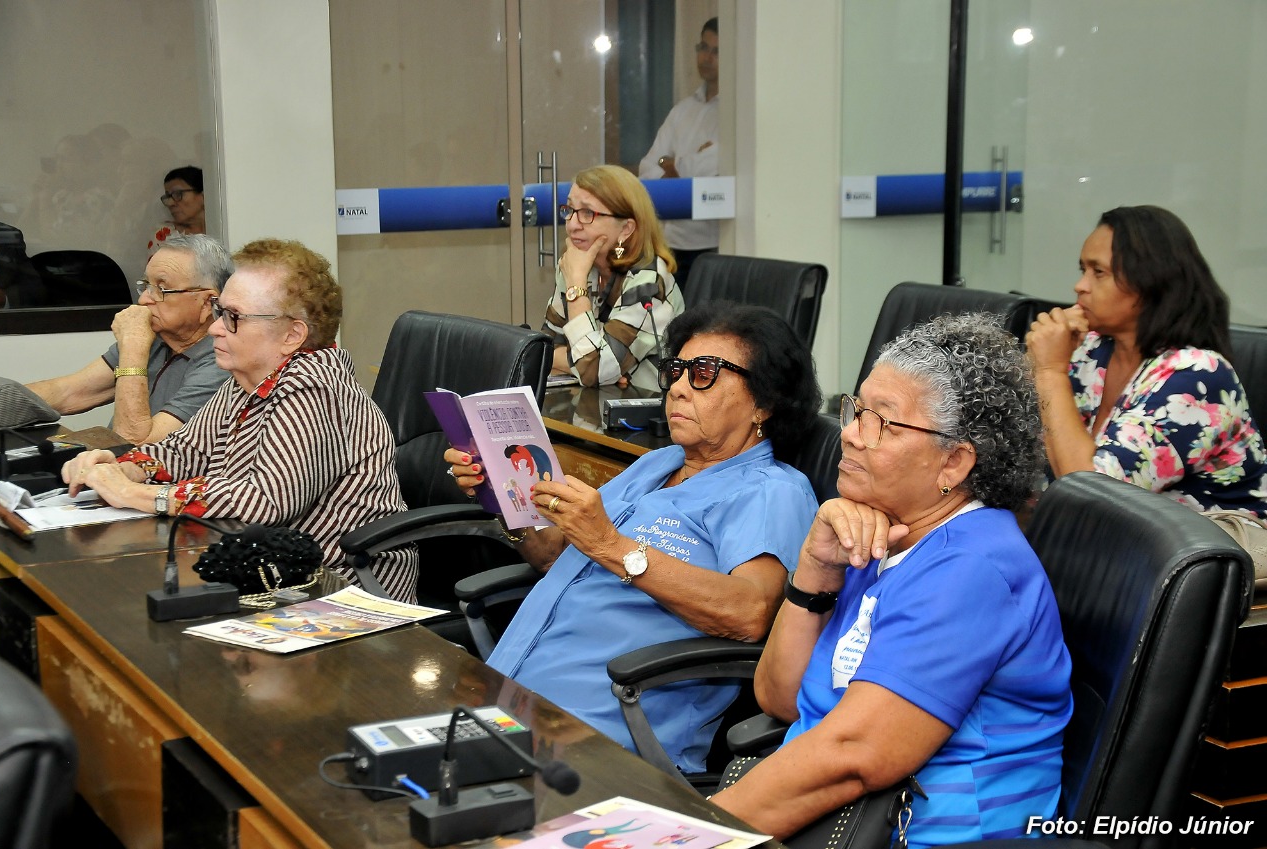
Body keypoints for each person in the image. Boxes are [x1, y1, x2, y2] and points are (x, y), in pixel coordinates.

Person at [711, 313, 1072, 848]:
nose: (852, 435)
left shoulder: (972, 568)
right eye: (856, 409)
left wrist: (682, 833)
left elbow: (853, 756)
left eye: (883, 422)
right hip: (841, 820)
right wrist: (815, 569)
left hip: (929, 836)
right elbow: (781, 699)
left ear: (954, 462)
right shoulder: (882, 533)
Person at [447, 302, 821, 771]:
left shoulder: (772, 490)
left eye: (704, 373)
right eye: (677, 371)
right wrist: (506, 497)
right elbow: (551, 555)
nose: (679, 388)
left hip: (595, 737)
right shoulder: (655, 464)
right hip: (508, 699)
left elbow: (749, 612)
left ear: (763, 401)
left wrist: (611, 545)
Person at [61, 238, 418, 602]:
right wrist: (121, 467)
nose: (215, 328)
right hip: (265, 569)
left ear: (292, 335)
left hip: (339, 588)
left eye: (233, 317)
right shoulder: (248, 378)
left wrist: (134, 494)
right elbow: (184, 453)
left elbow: (267, 502)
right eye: (219, 311)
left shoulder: (314, 388)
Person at [1026, 205, 1267, 515]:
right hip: (1101, 549)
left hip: (1207, 555)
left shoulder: (1198, 375)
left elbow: (1092, 496)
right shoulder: (1090, 350)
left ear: (1151, 281)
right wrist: (1034, 363)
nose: (1080, 286)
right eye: (1082, 270)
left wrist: (1049, 371)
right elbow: (1013, 446)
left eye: (1098, 272)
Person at [26, 233, 231, 443]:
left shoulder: (223, 361)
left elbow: (135, 444)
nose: (143, 300)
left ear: (207, 302)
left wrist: (133, 347)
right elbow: (69, 393)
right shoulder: (158, 337)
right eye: (145, 285)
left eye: (161, 289)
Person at [544, 164, 684, 390]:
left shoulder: (649, 282)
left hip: (647, 413)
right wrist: (589, 365)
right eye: (569, 210)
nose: (572, 225)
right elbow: (542, 351)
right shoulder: (579, 264)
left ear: (626, 229)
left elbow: (592, 371)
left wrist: (576, 286)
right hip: (595, 405)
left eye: (588, 213)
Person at [638, 17, 720, 288]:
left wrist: (675, 164)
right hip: (671, 244)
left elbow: (708, 169)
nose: (706, 57)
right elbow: (647, 168)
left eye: (716, 51)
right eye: (703, 47)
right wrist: (674, 163)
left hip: (712, 245)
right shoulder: (683, 110)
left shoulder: (735, 113)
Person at [147, 165, 206, 254]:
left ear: (202, 195)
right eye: (168, 196)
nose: (170, 203)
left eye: (178, 194)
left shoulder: (226, 229)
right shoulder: (165, 236)